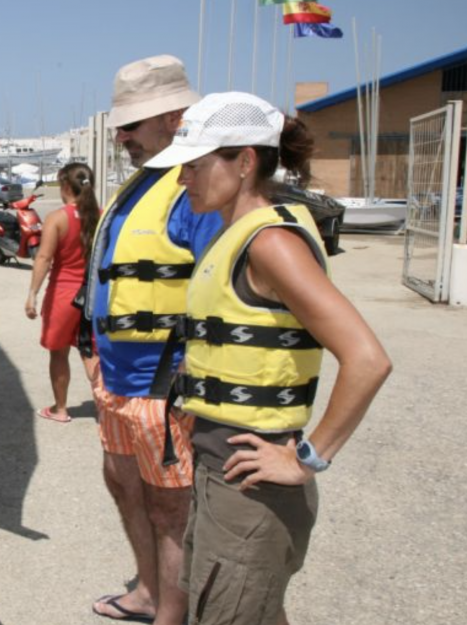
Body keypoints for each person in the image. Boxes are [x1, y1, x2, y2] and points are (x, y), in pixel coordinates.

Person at [143, 92, 390, 624]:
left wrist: (306, 459)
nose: (183, 179)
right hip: (222, 474)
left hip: (251, 488)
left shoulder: (270, 241)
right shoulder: (239, 235)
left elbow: (367, 358)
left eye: (195, 164)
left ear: (245, 162)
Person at [84, 56, 224, 625]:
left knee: (171, 505)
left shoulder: (195, 187)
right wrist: (94, 354)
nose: (121, 137)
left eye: (131, 126)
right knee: (123, 485)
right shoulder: (141, 185)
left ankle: (173, 613)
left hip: (163, 384)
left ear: (174, 118)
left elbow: (219, 285)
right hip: (115, 378)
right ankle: (148, 590)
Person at [24, 163, 99, 423]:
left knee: (59, 353)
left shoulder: (57, 218)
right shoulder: (102, 216)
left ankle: (61, 409)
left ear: (66, 186)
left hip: (64, 295)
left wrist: (32, 294)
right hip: (95, 295)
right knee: (92, 353)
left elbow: (44, 258)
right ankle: (108, 408)